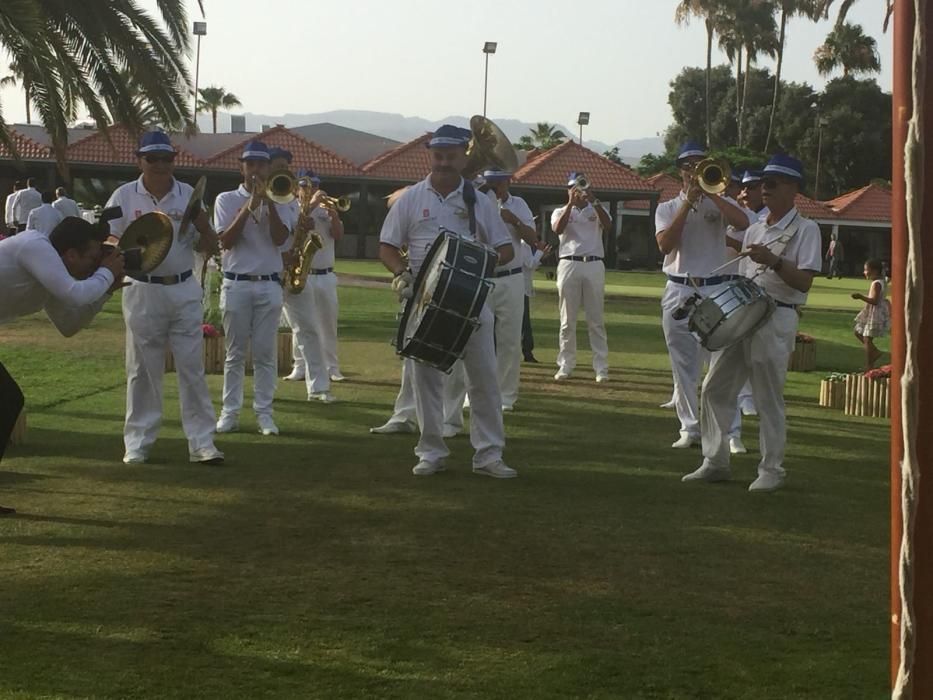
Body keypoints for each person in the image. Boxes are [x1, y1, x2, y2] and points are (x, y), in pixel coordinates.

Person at [378, 124, 516, 478]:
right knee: (426, 381)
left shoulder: (479, 200)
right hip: (425, 299)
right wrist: (401, 274)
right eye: (438, 155)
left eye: (450, 156)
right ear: (431, 156)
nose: (443, 162)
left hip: (472, 300)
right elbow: (387, 246)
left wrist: (481, 259)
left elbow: (505, 249)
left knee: (483, 379)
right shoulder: (411, 198)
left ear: (462, 157)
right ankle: (431, 452)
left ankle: (488, 456)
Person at [682, 154, 823, 492]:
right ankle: (715, 461)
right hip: (745, 314)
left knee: (766, 397)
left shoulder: (807, 229)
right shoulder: (755, 228)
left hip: (778, 315)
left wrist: (773, 260)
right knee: (715, 387)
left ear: (793, 188)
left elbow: (804, 283)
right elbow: (745, 278)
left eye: (773, 183)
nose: (765, 189)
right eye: (764, 183)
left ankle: (771, 469)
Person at [106, 131, 225, 465]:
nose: (160, 165)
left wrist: (204, 228)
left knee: (192, 367)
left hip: (183, 287)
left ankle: (202, 443)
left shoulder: (189, 194)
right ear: (139, 159)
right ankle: (138, 442)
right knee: (142, 369)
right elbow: (110, 240)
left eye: (166, 158)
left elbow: (208, 246)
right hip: (141, 288)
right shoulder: (123, 195)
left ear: (174, 160)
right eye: (152, 158)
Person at [0, 217, 126, 514]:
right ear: (70, 254)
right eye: (92, 259)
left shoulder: (50, 275)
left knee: (7, 400)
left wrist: (106, 290)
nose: (94, 265)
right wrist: (108, 273)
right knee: (6, 399)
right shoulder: (35, 245)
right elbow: (75, 293)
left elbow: (69, 324)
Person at [655, 142, 751, 449]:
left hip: (716, 285)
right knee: (683, 365)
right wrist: (688, 203)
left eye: (700, 165)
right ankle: (690, 428)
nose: (695, 171)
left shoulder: (719, 203)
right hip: (679, 286)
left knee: (722, 364)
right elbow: (666, 245)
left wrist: (711, 194)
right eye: (689, 166)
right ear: (680, 171)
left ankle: (730, 432)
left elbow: (744, 223)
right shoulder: (667, 208)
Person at [213, 141, 294, 436]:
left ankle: (264, 414)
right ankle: (229, 413)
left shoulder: (282, 198)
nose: (256, 170)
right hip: (236, 283)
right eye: (251, 164)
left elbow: (280, 239)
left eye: (261, 165)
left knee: (265, 354)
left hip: (268, 284)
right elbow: (226, 241)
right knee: (234, 354)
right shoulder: (225, 199)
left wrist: (269, 202)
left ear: (268, 168)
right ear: (242, 167)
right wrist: (249, 207)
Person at [445, 169, 537, 426]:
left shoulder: (519, 204)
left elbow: (534, 240)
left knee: (509, 340)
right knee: (473, 339)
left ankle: (506, 396)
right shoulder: (475, 203)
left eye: (500, 182)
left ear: (509, 181)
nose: (496, 187)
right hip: (482, 276)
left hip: (512, 277)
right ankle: (469, 395)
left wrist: (514, 221)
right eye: (491, 183)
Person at [281, 169, 340, 403]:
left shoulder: (325, 209)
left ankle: (332, 366)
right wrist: (312, 205)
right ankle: (299, 366)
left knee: (327, 321)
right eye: (307, 185)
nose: (312, 189)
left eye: (315, 185)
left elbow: (338, 235)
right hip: (301, 271)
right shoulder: (292, 206)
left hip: (325, 273)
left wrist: (334, 216)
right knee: (301, 324)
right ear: (298, 187)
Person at [551, 172, 612, 382]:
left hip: (594, 263)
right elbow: (558, 228)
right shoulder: (560, 211)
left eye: (581, 187)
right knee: (567, 320)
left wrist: (594, 201)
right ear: (568, 190)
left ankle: (601, 367)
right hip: (569, 263)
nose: (578, 191)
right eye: (573, 187)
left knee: (596, 320)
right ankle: (566, 364)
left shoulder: (595, 209)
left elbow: (609, 225)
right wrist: (570, 204)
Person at [852, 258, 891, 370]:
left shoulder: (877, 283)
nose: (864, 272)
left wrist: (860, 296)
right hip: (873, 311)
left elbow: (874, 301)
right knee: (858, 333)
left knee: (867, 339)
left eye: (866, 270)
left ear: (874, 271)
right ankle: (874, 353)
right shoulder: (881, 281)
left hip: (875, 313)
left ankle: (869, 365)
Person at [522, 239, 547, 363]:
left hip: (523, 288)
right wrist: (540, 252)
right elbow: (530, 264)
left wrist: (541, 254)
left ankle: (527, 351)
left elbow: (531, 267)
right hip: (521, 289)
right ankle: (527, 352)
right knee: (524, 323)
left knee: (524, 323)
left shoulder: (525, 244)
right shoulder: (523, 244)